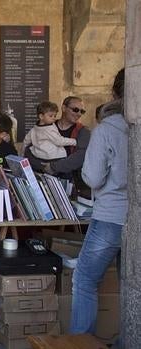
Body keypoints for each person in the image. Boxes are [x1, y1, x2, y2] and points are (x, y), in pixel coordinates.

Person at [71, 68, 127, 335]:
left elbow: (92, 177)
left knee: (84, 279)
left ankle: (81, 343)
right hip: (133, 216)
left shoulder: (107, 129)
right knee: (130, 285)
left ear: (114, 93)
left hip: (109, 216)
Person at [25, 96, 90, 179]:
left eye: (82, 111)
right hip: (41, 176)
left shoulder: (83, 131)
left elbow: (81, 156)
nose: (79, 114)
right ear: (64, 108)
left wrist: (53, 167)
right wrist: (42, 166)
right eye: (75, 110)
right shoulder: (46, 126)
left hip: (68, 179)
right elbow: (29, 148)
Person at [21, 101, 77, 169]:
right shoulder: (48, 130)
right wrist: (74, 141)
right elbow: (59, 141)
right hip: (52, 157)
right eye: (50, 116)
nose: (54, 118)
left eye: (55, 116)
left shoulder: (34, 129)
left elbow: (26, 141)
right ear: (41, 116)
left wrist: (22, 155)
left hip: (38, 156)